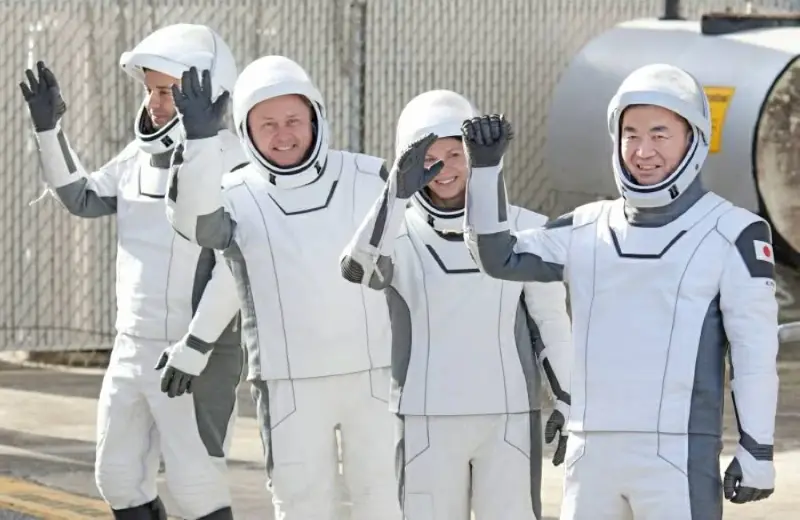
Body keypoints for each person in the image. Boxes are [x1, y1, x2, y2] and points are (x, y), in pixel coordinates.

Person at [461, 63, 779, 520]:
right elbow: (497, 257)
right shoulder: (586, 226)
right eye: (631, 134)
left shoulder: (734, 232)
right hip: (591, 455)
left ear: (694, 138)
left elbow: (754, 351)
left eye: (659, 134)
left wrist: (758, 449)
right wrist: (486, 170)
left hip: (678, 455)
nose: (643, 151)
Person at [19, 24, 245, 520]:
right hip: (131, 346)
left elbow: (236, 266)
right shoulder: (137, 155)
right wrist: (48, 131)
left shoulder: (234, 160)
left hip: (194, 354)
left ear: (207, 90)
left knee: (196, 488)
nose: (155, 104)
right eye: (150, 90)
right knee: (118, 478)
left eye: (167, 91)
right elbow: (81, 197)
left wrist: (197, 346)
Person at [164, 55, 400, 520]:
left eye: (293, 120)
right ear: (246, 132)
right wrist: (200, 143)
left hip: (375, 375)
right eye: (266, 124)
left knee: (385, 501)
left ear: (316, 117)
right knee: (301, 504)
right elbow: (203, 236)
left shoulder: (369, 176)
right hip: (287, 383)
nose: (283, 134)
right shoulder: (233, 193)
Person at [338, 89, 573, 520]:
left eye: (455, 154)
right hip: (425, 419)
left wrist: (568, 400)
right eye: (429, 159)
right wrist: (394, 195)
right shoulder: (394, 234)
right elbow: (357, 271)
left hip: (509, 418)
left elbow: (551, 324)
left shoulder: (526, 229)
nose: (444, 169)